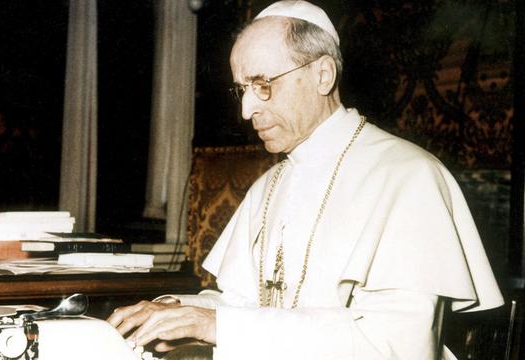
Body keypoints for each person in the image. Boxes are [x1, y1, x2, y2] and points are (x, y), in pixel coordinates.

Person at [107, 1, 504, 359]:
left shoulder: (409, 176)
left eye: (263, 85)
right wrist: (176, 309)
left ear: (323, 75)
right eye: (242, 89)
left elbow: (397, 346)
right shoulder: (270, 185)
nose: (247, 110)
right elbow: (245, 306)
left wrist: (214, 325)